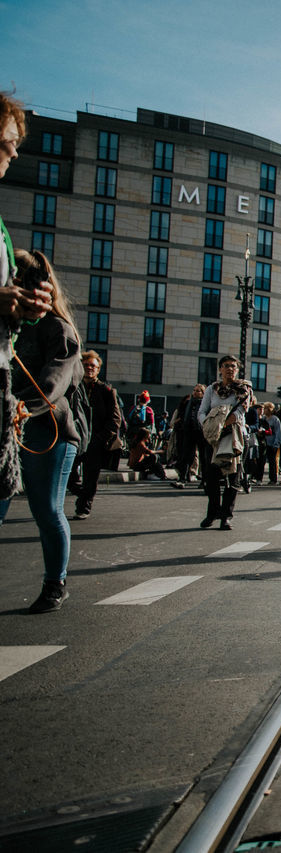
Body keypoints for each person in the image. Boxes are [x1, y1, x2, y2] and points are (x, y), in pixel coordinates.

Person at [0, 249, 84, 613]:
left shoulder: (58, 329)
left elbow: (54, 383)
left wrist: (21, 407)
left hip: (48, 432)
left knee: (46, 510)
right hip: (9, 427)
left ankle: (55, 583)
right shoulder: (6, 325)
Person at [197, 356, 251, 529]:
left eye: (233, 366)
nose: (230, 369)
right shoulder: (212, 389)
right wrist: (208, 425)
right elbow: (202, 411)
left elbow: (241, 412)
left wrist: (223, 425)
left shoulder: (244, 389)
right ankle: (212, 513)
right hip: (213, 438)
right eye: (226, 366)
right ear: (220, 369)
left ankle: (226, 516)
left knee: (233, 477)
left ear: (237, 370)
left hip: (234, 436)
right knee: (211, 478)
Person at [70, 350, 122, 519]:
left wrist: (101, 438)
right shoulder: (73, 387)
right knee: (70, 474)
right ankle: (81, 493)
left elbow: (115, 419)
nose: (89, 368)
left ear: (99, 369)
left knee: (91, 476)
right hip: (75, 438)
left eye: (93, 366)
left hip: (95, 441)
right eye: (86, 365)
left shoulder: (106, 391)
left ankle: (84, 506)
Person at [170, 384, 205, 487]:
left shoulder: (205, 404)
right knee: (186, 455)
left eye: (198, 391)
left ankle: (204, 480)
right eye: (194, 390)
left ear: (203, 394)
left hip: (201, 432)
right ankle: (182, 478)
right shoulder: (188, 403)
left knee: (203, 457)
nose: (195, 392)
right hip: (188, 431)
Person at [260, 401, 281, 484]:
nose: (264, 410)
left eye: (266, 408)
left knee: (272, 461)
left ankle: (273, 479)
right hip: (264, 443)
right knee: (261, 461)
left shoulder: (275, 419)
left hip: (272, 443)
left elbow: (278, 432)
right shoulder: (263, 419)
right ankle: (259, 478)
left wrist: (276, 443)